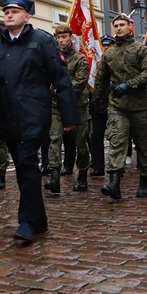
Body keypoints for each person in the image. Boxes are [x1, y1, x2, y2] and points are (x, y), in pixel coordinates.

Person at [0, 0, 78, 242]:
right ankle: (39, 219)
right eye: (6, 11)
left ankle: (27, 222)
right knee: (23, 166)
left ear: (27, 16)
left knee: (27, 162)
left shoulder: (42, 41)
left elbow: (61, 78)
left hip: (35, 113)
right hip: (7, 115)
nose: (9, 15)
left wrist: (68, 116)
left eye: (15, 11)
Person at [93, 13, 147, 200]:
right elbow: (101, 79)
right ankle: (114, 183)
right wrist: (97, 100)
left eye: (122, 25)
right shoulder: (109, 53)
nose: (119, 28)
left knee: (143, 145)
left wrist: (129, 84)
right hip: (118, 106)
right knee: (117, 142)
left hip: (141, 106)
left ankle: (144, 180)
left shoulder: (141, 50)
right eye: (116, 26)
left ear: (130, 26)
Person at [49, 25, 90, 192]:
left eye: (64, 37)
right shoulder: (52, 58)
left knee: (80, 142)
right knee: (54, 139)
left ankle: (82, 176)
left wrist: (60, 90)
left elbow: (80, 82)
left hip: (77, 105)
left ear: (71, 37)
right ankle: (55, 177)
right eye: (58, 37)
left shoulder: (80, 59)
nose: (61, 40)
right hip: (56, 106)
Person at [88, 34, 116, 177]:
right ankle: (98, 166)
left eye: (109, 45)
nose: (106, 48)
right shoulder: (96, 63)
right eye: (104, 45)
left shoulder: (118, 62)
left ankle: (117, 167)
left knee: (116, 137)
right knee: (96, 137)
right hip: (98, 104)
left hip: (114, 104)